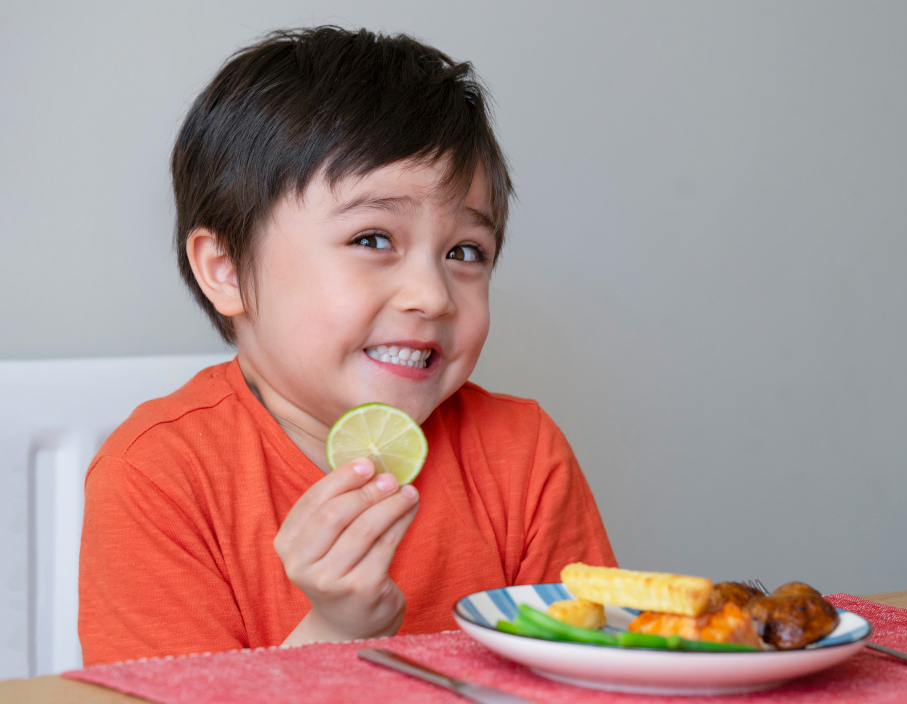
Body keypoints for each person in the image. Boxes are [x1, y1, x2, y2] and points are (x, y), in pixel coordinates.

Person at [78, 26, 616, 666]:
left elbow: (593, 675)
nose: (433, 295)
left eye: (464, 252)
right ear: (225, 269)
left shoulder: (524, 455)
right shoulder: (158, 476)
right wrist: (333, 630)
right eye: (371, 239)